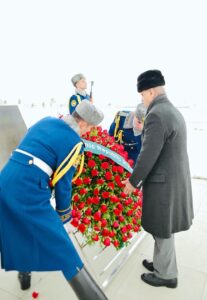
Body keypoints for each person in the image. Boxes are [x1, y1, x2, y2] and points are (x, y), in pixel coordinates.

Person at [0, 100, 108, 300]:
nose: (88, 132)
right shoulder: (74, 141)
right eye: (91, 128)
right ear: (83, 123)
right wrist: (63, 216)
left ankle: (24, 272)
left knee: (19, 229)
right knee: (64, 247)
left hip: (5, 180)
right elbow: (63, 183)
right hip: (27, 191)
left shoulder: (46, 120)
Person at [123, 70, 194, 288]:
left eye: (142, 94)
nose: (142, 99)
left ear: (151, 91)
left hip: (164, 184)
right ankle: (161, 263)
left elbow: (147, 155)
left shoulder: (156, 114)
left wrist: (132, 182)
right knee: (162, 227)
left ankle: (166, 275)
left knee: (162, 228)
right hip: (173, 180)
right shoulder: (170, 110)